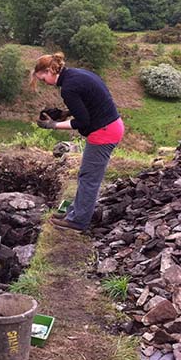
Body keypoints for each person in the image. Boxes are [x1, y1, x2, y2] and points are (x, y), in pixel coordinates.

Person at [31, 52, 124, 232]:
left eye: (43, 79)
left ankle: (78, 221)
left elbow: (83, 122)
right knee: (86, 175)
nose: (45, 83)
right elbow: (90, 103)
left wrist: (54, 125)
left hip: (104, 132)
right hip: (110, 125)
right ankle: (74, 211)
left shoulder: (68, 88)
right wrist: (66, 113)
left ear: (50, 70)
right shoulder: (77, 74)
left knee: (89, 178)